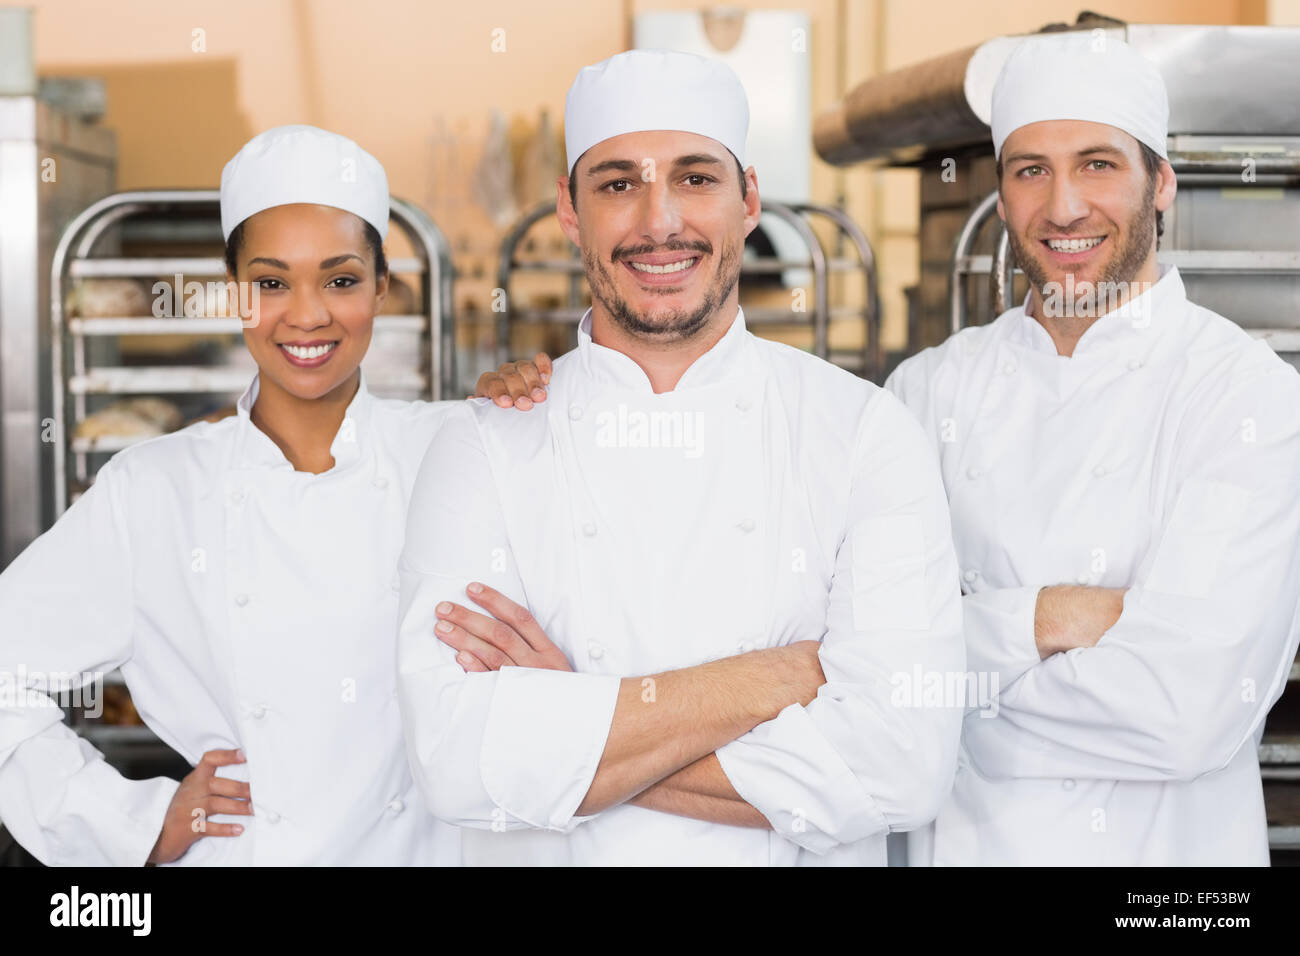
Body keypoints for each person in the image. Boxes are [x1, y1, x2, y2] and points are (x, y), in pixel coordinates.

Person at [396, 50, 965, 866]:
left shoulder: (866, 433)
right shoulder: (483, 444)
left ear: (749, 200)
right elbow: (457, 767)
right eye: (618, 183)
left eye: (695, 178)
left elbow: (901, 771)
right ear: (569, 207)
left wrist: (564, 717)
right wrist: (764, 684)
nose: (659, 221)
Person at [0, 124, 547, 865]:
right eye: (271, 281)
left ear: (383, 286)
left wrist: (535, 408)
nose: (308, 314)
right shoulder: (156, 492)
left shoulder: (459, 449)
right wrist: (131, 823)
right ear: (235, 293)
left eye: (341, 278)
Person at [884, 34, 1300, 865]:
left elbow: (1187, 712)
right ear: (999, 198)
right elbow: (863, 664)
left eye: (1099, 164)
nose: (1064, 206)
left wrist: (955, 680)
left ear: (1163, 184)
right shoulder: (925, 395)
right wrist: (1052, 616)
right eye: (1030, 169)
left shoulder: (1247, 398)